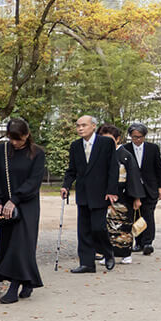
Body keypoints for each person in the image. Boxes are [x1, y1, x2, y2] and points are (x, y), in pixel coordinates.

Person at [0, 118, 46, 303]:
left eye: (18, 139)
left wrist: (15, 200)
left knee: (21, 245)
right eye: (11, 138)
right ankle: (28, 281)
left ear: (27, 135)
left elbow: (34, 181)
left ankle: (14, 287)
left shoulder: (37, 153)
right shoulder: (2, 151)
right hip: (5, 205)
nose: (14, 143)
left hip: (27, 205)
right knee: (8, 243)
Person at [61, 115, 119, 273]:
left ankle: (108, 253)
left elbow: (113, 168)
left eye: (84, 125)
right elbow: (71, 170)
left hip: (101, 193)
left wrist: (111, 190)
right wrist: (66, 186)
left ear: (93, 126)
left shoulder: (106, 143)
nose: (80, 128)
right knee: (84, 229)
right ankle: (87, 263)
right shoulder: (75, 146)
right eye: (78, 125)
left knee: (98, 228)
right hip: (83, 193)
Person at [100, 124, 145, 264]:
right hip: (105, 194)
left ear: (118, 139)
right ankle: (108, 254)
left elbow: (134, 178)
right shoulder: (101, 154)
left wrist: (136, 198)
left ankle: (126, 253)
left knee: (124, 225)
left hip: (123, 194)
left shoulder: (125, 155)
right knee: (106, 225)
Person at [127, 123, 161, 255]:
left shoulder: (152, 148)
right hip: (133, 188)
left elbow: (159, 169)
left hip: (150, 188)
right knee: (135, 216)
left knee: (148, 214)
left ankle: (148, 242)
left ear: (144, 136)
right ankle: (138, 242)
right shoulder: (125, 149)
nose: (137, 140)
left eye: (139, 137)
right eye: (134, 137)